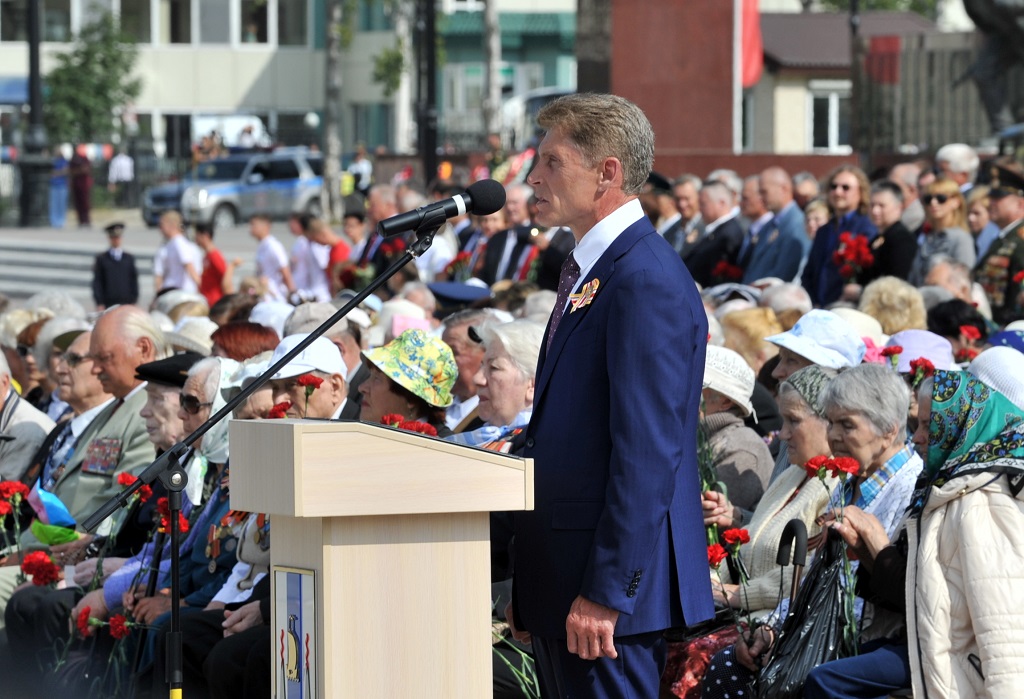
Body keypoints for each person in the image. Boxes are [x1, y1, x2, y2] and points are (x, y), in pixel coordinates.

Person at [508, 93, 714, 698]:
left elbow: (646, 454)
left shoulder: (643, 278)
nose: (531, 177)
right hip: (566, 577)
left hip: (607, 596)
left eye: (551, 161)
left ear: (607, 173)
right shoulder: (595, 269)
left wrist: (605, 590)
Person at [703, 364, 924, 699]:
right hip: (821, 629)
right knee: (730, 664)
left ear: (889, 430)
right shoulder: (849, 483)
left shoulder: (911, 488)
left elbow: (887, 591)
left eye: (846, 424)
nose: (833, 436)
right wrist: (772, 628)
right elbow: (812, 576)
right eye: (831, 423)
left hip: (869, 642)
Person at [447, 319, 543, 449]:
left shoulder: (544, 447)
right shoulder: (476, 430)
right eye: (482, 366)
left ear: (532, 386)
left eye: (494, 367)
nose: (477, 379)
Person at [701, 346, 774, 513]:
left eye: (699, 385)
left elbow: (712, 525)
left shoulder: (741, 450)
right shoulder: (707, 436)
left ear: (725, 402)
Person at [358, 328, 457, 436]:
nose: (362, 387)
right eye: (370, 376)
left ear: (411, 398)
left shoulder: (443, 448)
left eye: (377, 378)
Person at [802, 165, 877, 307]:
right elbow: (809, 272)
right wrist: (814, 301)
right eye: (833, 186)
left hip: (847, 306)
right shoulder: (823, 230)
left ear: (861, 192)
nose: (838, 192)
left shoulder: (867, 228)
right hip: (818, 306)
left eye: (846, 187)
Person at [974, 163, 1024, 325]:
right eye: (991, 197)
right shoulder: (1003, 237)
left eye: (999, 198)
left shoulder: (1020, 240)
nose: (991, 203)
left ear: (1020, 203)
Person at [909, 177, 975, 286]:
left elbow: (964, 280)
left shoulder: (961, 238)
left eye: (941, 198)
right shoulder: (928, 236)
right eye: (928, 199)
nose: (934, 203)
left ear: (956, 202)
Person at [249, 213, 296, 302]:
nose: (251, 229)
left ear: (265, 226)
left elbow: (285, 271)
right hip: (264, 294)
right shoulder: (262, 245)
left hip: (274, 296)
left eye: (253, 225)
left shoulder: (273, 246)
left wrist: (292, 294)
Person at [92, 222, 139, 309]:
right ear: (109, 238)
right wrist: (99, 302)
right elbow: (97, 282)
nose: (116, 240)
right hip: (108, 303)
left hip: (126, 302)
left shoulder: (128, 258)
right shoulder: (102, 259)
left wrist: (134, 300)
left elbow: (133, 280)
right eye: (114, 237)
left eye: (118, 237)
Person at [153, 211, 203, 293]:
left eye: (161, 225)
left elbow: (189, 266)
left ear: (171, 225)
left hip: (176, 292)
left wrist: (201, 287)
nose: (160, 229)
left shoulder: (178, 244)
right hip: (189, 292)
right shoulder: (192, 247)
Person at [195, 223, 241, 307]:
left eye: (197, 235)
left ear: (205, 236)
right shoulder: (207, 256)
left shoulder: (215, 256)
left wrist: (230, 302)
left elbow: (225, 279)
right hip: (207, 302)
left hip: (216, 303)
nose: (195, 239)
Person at [69, 145, 92, 228]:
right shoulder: (73, 159)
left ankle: (86, 220)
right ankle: (81, 221)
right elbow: (71, 171)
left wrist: (78, 171)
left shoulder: (84, 158)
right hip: (76, 184)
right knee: (78, 204)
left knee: (85, 203)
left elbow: (86, 169)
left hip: (84, 184)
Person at [49, 149, 69, 229]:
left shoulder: (64, 161)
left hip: (62, 185)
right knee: (54, 204)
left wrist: (56, 173)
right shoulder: (53, 161)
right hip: (53, 185)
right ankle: (54, 221)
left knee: (61, 204)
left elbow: (65, 171)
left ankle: (61, 221)